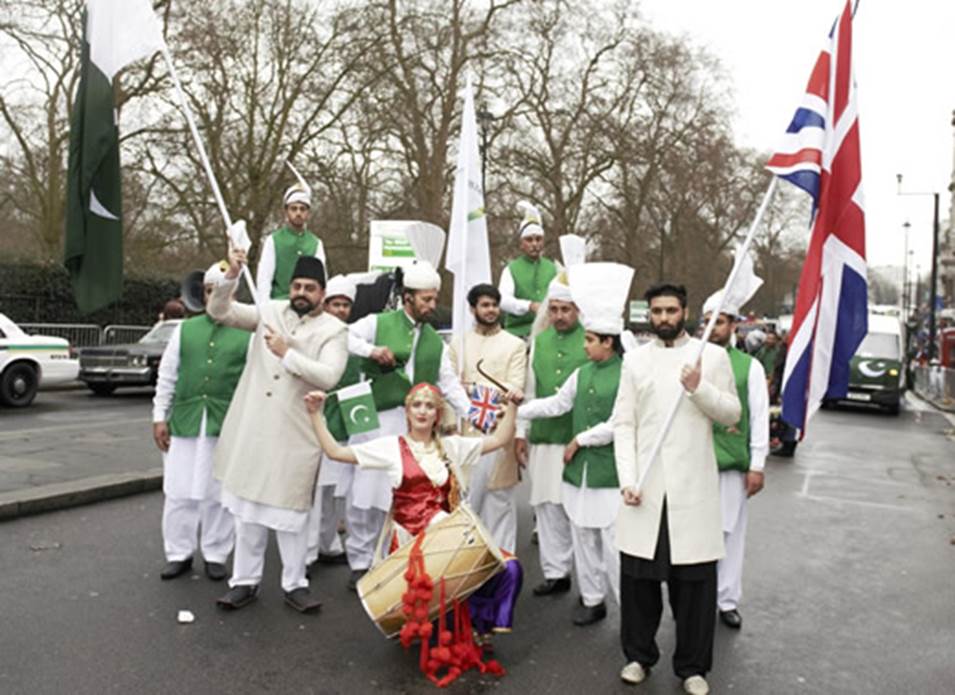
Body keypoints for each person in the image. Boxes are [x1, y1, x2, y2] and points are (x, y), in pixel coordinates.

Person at [305, 383, 522, 685]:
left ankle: (479, 626)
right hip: (412, 544)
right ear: (407, 412)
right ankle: (442, 623)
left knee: (510, 568)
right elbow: (336, 452)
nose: (422, 411)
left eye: (429, 406)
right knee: (441, 611)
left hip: (450, 540)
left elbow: (499, 439)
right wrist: (316, 414)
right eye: (416, 405)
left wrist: (512, 407)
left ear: (437, 414)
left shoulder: (453, 446)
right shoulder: (391, 447)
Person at [614, 283, 741, 695]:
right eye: (657, 311)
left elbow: (731, 413)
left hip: (693, 491)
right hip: (646, 491)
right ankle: (638, 657)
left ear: (685, 311)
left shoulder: (713, 357)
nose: (664, 318)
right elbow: (624, 425)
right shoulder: (634, 361)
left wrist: (698, 388)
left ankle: (693, 668)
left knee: (694, 590)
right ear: (648, 315)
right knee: (639, 587)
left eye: (671, 310)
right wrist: (628, 480)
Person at [209, 248, 347, 613]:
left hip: (295, 434)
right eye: (298, 286)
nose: (302, 293)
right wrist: (232, 274)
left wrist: (288, 353)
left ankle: (295, 583)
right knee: (248, 509)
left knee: (291, 515)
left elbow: (329, 375)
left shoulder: (334, 329)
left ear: (322, 292)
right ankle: (244, 582)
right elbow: (219, 311)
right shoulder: (268, 311)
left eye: (311, 288)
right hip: (254, 426)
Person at [517, 262, 633, 626]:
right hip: (578, 470)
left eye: (590, 339)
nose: (584, 344)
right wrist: (519, 405)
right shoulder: (582, 373)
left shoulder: (629, 374)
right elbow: (556, 404)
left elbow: (619, 422)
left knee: (613, 543)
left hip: (610, 469)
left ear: (608, 342)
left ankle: (628, 607)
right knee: (582, 532)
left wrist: (581, 438)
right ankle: (592, 598)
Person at [344, 261, 471, 589]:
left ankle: (391, 560)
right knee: (366, 491)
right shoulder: (377, 323)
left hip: (415, 426)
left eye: (434, 299)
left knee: (401, 494)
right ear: (407, 297)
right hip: (378, 419)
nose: (432, 306)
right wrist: (372, 351)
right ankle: (360, 560)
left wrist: (473, 412)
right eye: (426, 299)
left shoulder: (436, 342)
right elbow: (344, 336)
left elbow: (449, 383)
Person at [152, 262, 250, 581]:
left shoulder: (247, 332)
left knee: (218, 494)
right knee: (179, 490)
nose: (214, 297)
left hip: (226, 423)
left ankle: (216, 552)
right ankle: (178, 552)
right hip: (186, 419)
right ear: (203, 293)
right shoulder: (184, 329)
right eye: (209, 291)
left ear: (232, 293)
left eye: (221, 291)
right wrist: (159, 417)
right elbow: (167, 376)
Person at [514, 275, 588, 597]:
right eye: (554, 309)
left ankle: (590, 584)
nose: (558, 315)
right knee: (546, 506)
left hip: (579, 437)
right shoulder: (540, 341)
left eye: (565, 310)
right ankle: (556, 572)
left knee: (579, 511)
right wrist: (520, 432)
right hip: (544, 438)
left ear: (578, 310)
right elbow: (529, 391)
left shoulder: (592, 339)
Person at [702, 291, 769, 630]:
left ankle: (726, 600)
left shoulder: (750, 367)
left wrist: (757, 464)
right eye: (708, 321)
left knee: (730, 534)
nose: (713, 328)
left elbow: (759, 418)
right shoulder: (692, 360)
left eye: (720, 322)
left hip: (730, 464)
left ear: (733, 326)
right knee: (696, 533)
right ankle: (695, 598)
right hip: (695, 464)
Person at [447, 283, 526, 553]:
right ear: (472, 309)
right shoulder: (458, 344)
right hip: (466, 437)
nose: (491, 310)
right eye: (485, 305)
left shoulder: (515, 345)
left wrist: (470, 388)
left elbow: (514, 388)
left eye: (494, 305)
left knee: (499, 504)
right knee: (466, 509)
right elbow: (448, 388)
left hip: (499, 435)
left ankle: (504, 572)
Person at [306, 274, 361, 570]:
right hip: (315, 421)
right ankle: (307, 551)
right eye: (335, 304)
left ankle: (327, 544)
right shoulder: (314, 336)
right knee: (313, 491)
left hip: (343, 425)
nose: (340, 310)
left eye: (345, 305)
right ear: (325, 305)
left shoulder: (354, 340)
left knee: (332, 491)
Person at [255, 183, 328, 304]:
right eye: (294, 208)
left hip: (306, 305)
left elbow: (322, 279)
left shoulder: (316, 243)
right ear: (286, 211)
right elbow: (264, 278)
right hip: (278, 304)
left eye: (302, 209)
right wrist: (264, 306)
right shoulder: (273, 239)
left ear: (308, 213)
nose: (298, 213)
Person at [498, 201, 559, 339]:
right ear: (521, 244)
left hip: (548, 332)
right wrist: (529, 306)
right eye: (529, 240)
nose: (534, 244)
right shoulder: (511, 269)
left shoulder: (552, 267)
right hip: (517, 334)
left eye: (538, 239)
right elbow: (503, 300)